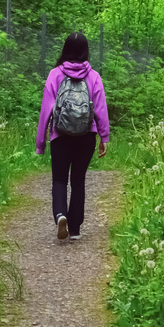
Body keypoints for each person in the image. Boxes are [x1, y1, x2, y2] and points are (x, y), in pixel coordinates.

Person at [36, 32, 109, 241]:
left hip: (60, 135)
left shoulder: (55, 74)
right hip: (86, 135)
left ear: (65, 49)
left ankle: (60, 215)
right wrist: (104, 137)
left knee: (59, 179)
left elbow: (45, 111)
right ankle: (75, 228)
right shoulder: (93, 76)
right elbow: (101, 109)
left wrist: (41, 143)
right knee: (78, 179)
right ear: (86, 51)